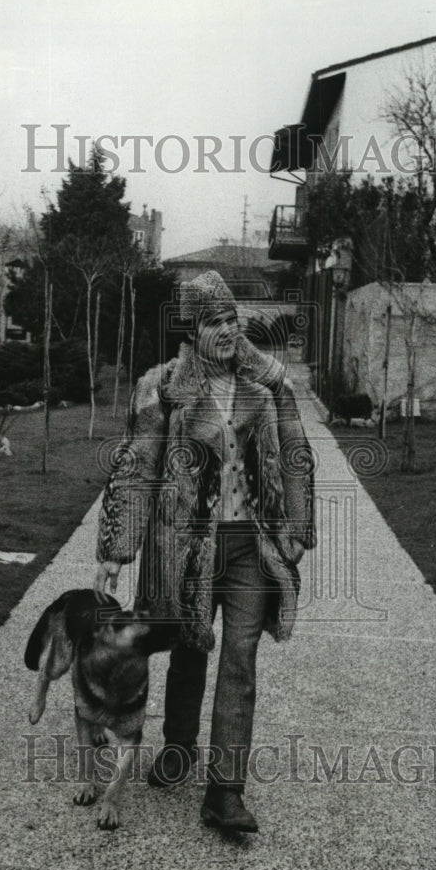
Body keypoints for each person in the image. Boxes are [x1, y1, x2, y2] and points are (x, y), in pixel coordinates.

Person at [95, 270, 315, 832]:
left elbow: (294, 454)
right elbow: (136, 468)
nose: (226, 331)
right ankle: (178, 746)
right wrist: (116, 550)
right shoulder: (162, 389)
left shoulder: (264, 390)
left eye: (231, 320)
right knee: (191, 644)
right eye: (214, 321)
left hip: (250, 549)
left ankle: (226, 791)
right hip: (185, 547)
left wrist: (295, 527)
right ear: (191, 329)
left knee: (240, 660)